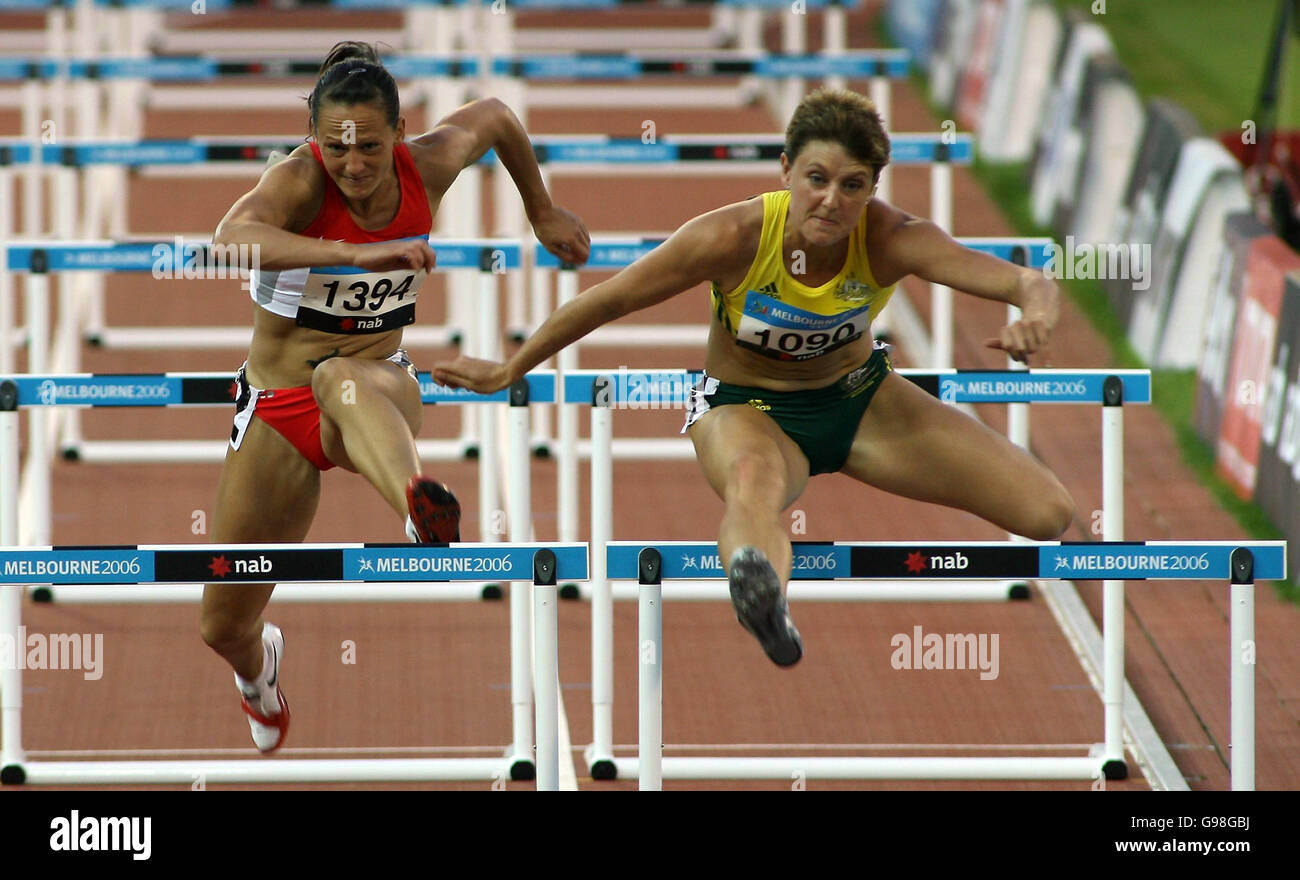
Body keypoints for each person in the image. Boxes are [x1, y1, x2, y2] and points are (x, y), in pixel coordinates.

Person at [432, 88, 1075, 668]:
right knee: (753, 483)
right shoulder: (732, 236)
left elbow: (1025, 280)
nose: (832, 201)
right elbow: (609, 299)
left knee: (1048, 513)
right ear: (786, 171)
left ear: (873, 189)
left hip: (863, 402)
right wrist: (511, 368)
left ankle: (763, 573)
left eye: (853, 186)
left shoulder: (891, 238)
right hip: (747, 409)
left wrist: (1036, 314)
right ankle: (762, 595)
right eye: (817, 179)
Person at [201, 41, 590, 753]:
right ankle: (260, 675)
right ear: (314, 141)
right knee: (221, 625)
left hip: (377, 389)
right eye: (336, 148)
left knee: (338, 376)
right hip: (276, 408)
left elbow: (499, 117)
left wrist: (542, 211)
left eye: (370, 148)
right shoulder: (297, 183)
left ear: (401, 134)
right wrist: (353, 255)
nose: (353, 165)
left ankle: (418, 508)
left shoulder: (429, 166)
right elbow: (229, 236)